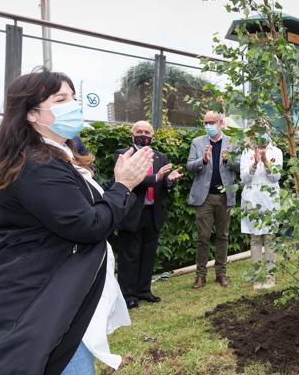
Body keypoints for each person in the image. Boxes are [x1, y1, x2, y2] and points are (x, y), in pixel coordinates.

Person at [0, 69, 153, 374]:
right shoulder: (36, 166)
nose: (73, 105)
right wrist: (123, 186)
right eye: (61, 99)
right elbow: (87, 225)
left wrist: (117, 185)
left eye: (74, 97)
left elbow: (80, 208)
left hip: (58, 296)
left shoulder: (58, 155)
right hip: (40, 298)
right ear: (31, 114)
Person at [111, 121, 182, 310]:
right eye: (139, 131)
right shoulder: (122, 155)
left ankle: (144, 290)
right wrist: (156, 177)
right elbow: (131, 180)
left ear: (153, 136)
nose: (143, 135)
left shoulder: (161, 156)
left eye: (147, 132)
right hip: (133, 213)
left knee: (148, 254)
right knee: (129, 256)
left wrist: (169, 181)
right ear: (132, 134)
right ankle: (128, 295)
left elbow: (163, 183)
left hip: (153, 213)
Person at [187, 110, 239, 289]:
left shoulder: (233, 142)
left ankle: (221, 274)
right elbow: (189, 166)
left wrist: (228, 160)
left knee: (223, 236)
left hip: (225, 196)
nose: (208, 125)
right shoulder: (197, 142)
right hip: (205, 197)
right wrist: (203, 160)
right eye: (206, 122)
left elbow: (240, 166)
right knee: (203, 238)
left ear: (221, 122)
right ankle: (200, 276)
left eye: (212, 122)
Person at [240, 131, 283, 290]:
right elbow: (243, 178)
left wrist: (265, 162)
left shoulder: (276, 152)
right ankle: (257, 276)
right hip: (251, 200)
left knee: (270, 237)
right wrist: (254, 164)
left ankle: (270, 276)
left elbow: (276, 176)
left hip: (270, 200)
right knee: (255, 239)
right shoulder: (247, 152)